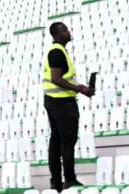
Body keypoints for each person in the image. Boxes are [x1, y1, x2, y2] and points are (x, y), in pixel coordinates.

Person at [42, 22, 94, 192]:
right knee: (67, 142)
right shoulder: (57, 51)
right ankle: (69, 180)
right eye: (65, 30)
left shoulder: (56, 51)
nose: (68, 32)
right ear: (57, 34)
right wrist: (80, 89)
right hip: (62, 103)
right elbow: (56, 78)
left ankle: (56, 182)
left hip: (53, 101)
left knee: (56, 142)